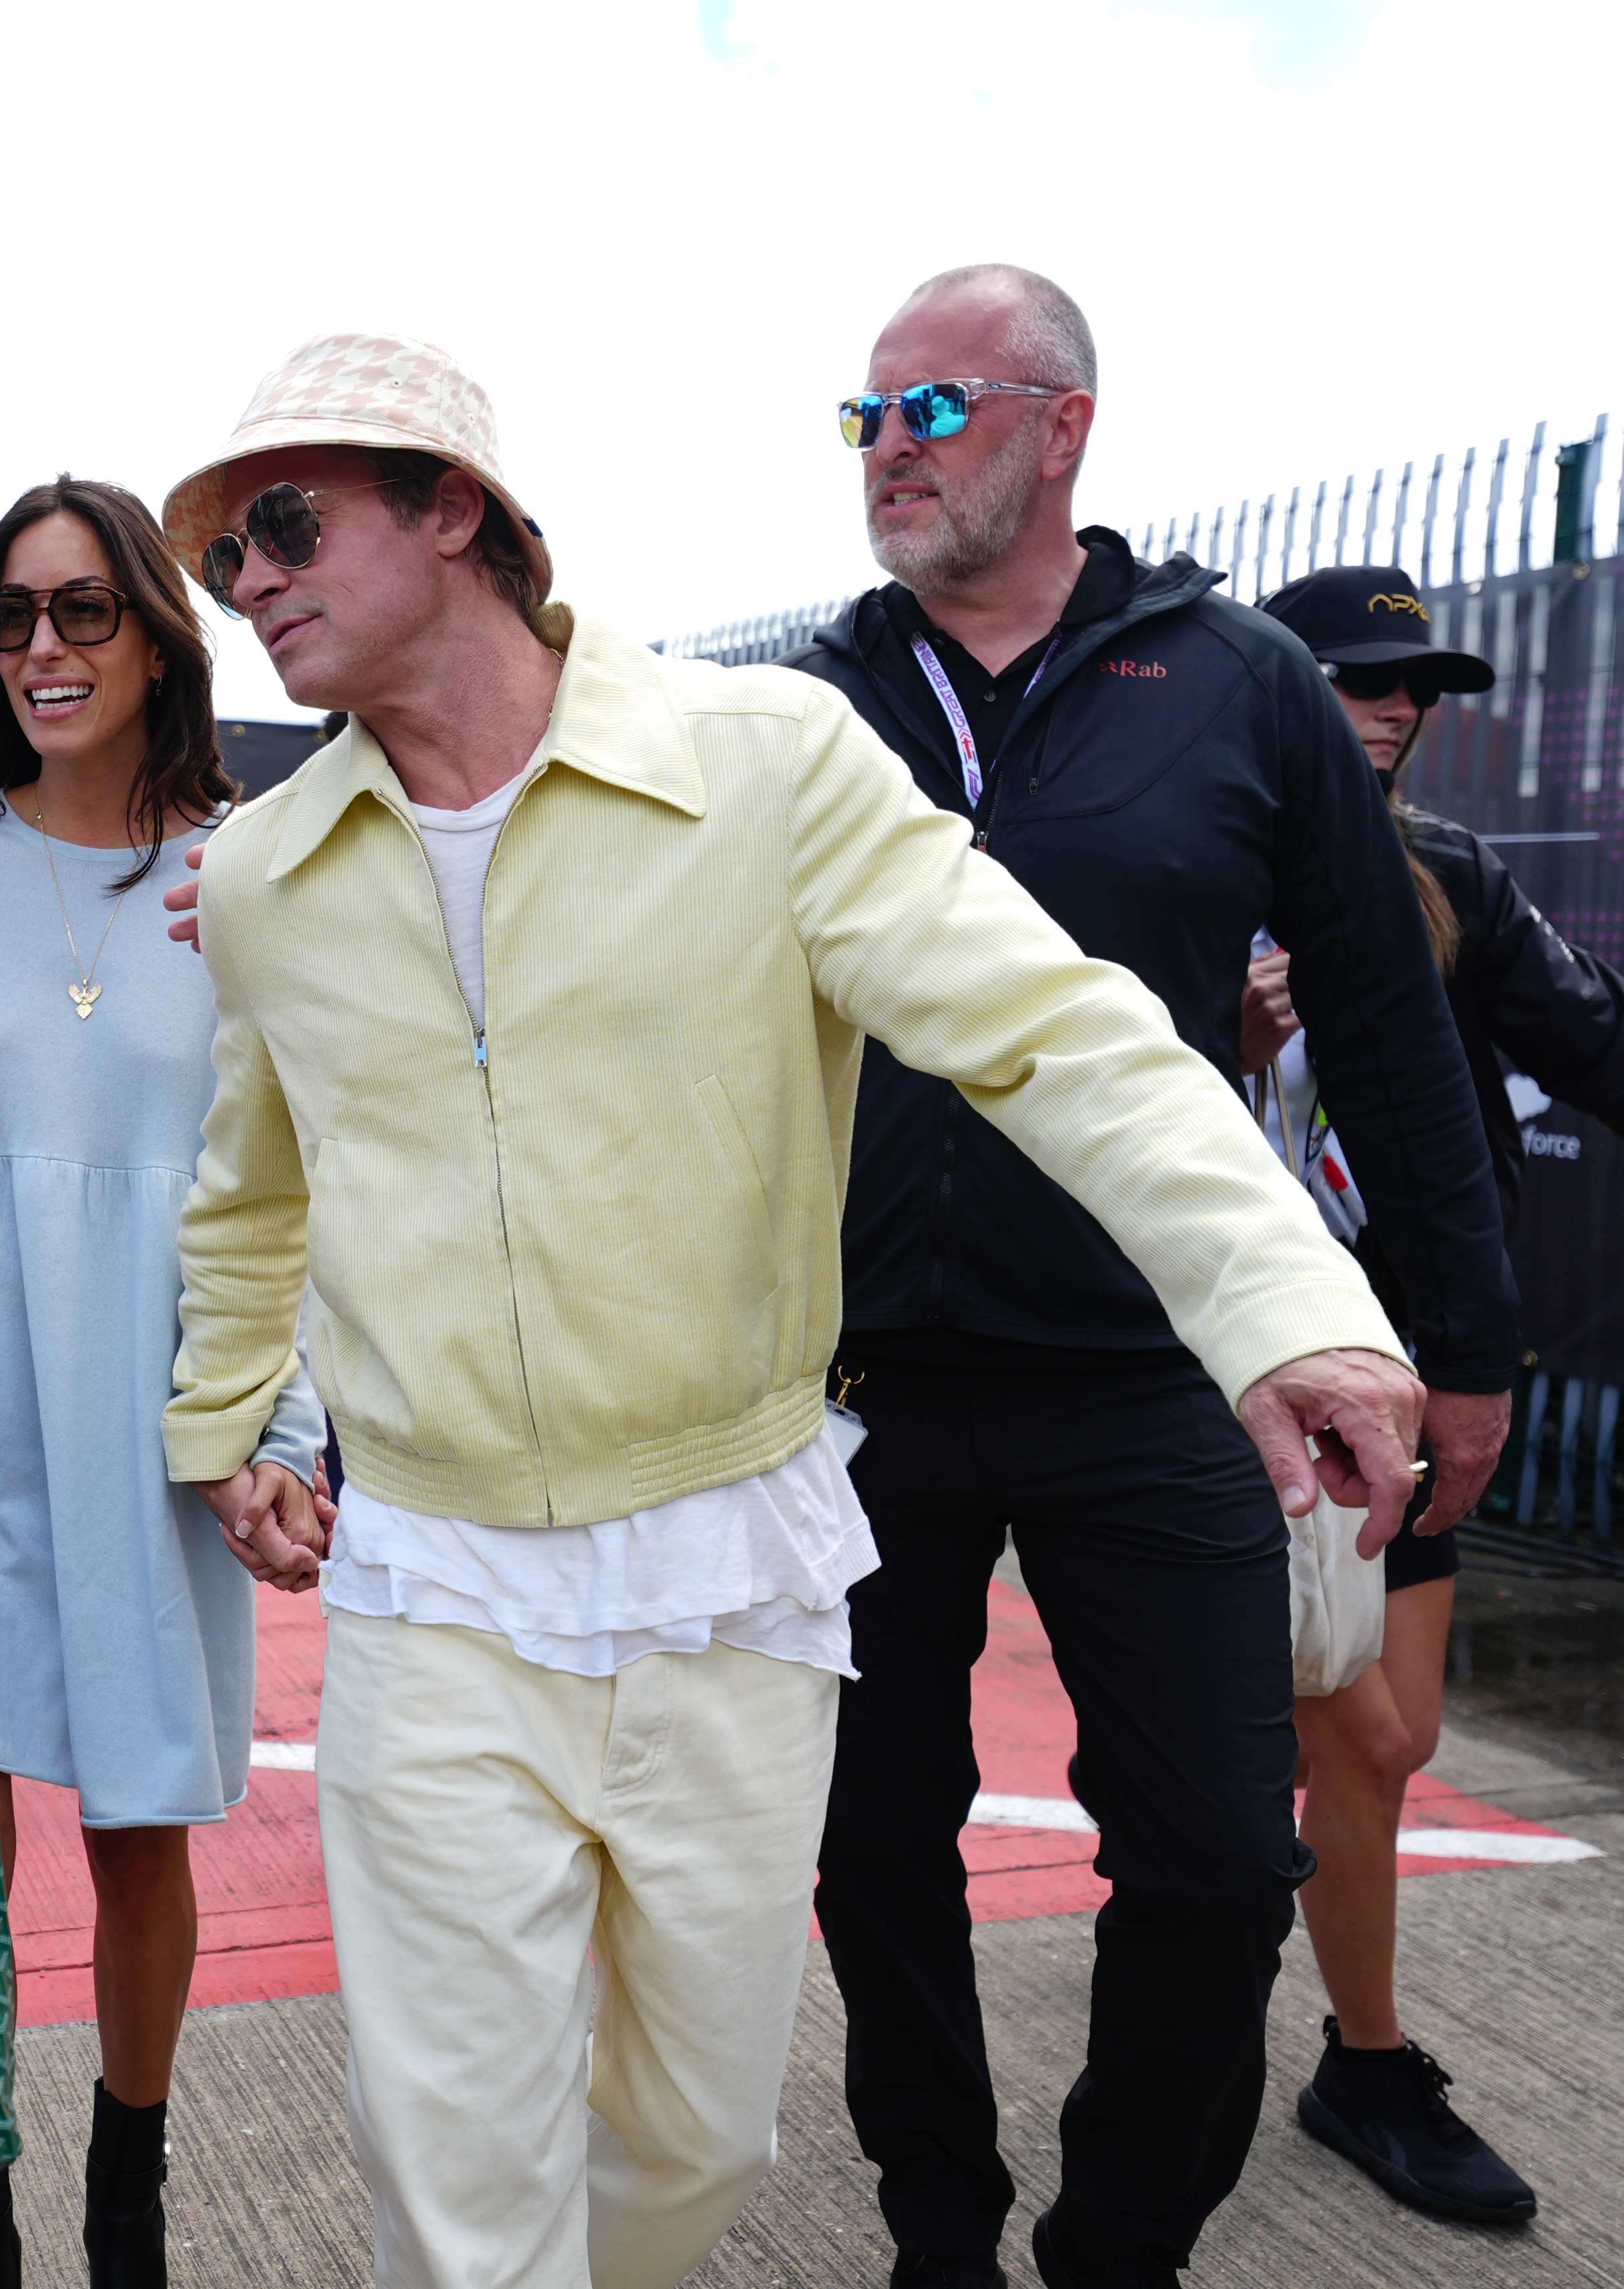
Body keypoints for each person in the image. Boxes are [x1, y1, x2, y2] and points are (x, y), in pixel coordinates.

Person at [153, 330, 1425, 2289]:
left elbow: (1055, 1027)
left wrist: (1280, 1301)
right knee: (454, 2163)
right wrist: (230, 1417)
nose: (248, 578)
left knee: (696, 2131)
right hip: (431, 1590)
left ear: (460, 511)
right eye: (230, 548)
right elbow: (253, 1182)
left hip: (729, 1570)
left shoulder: (767, 766)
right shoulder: (264, 874)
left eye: (287, 521)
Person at [783, 269, 1519, 2288]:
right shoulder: (809, 700)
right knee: (866, 1848)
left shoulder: (1236, 680)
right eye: (867, 419)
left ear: (1062, 425)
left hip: (1152, 1369)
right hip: (855, 1387)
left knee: (1214, 1858)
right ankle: (940, 2213)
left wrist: (1458, 1344)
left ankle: (1117, 2242)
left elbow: (1382, 1010)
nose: (892, 451)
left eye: (932, 407)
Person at [0, 476, 329, 2289]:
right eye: (12, 616)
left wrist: (286, 1419)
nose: (41, 648)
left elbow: (304, 1172)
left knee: (139, 1815)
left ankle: (128, 2190)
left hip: (155, 1407)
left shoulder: (257, 867)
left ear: (158, 632)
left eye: (83, 609)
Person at [1251, 562, 1616, 2225]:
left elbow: (1591, 1044)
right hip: (1215, 1369)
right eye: (1354, 677)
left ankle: (1351, 2054)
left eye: (1415, 686)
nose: (1395, 707)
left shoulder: (1449, 875)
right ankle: (1365, 2047)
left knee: (1382, 1738)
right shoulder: (1175, 866)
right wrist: (1216, 1010)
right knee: (1345, 1736)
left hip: (1393, 1368)